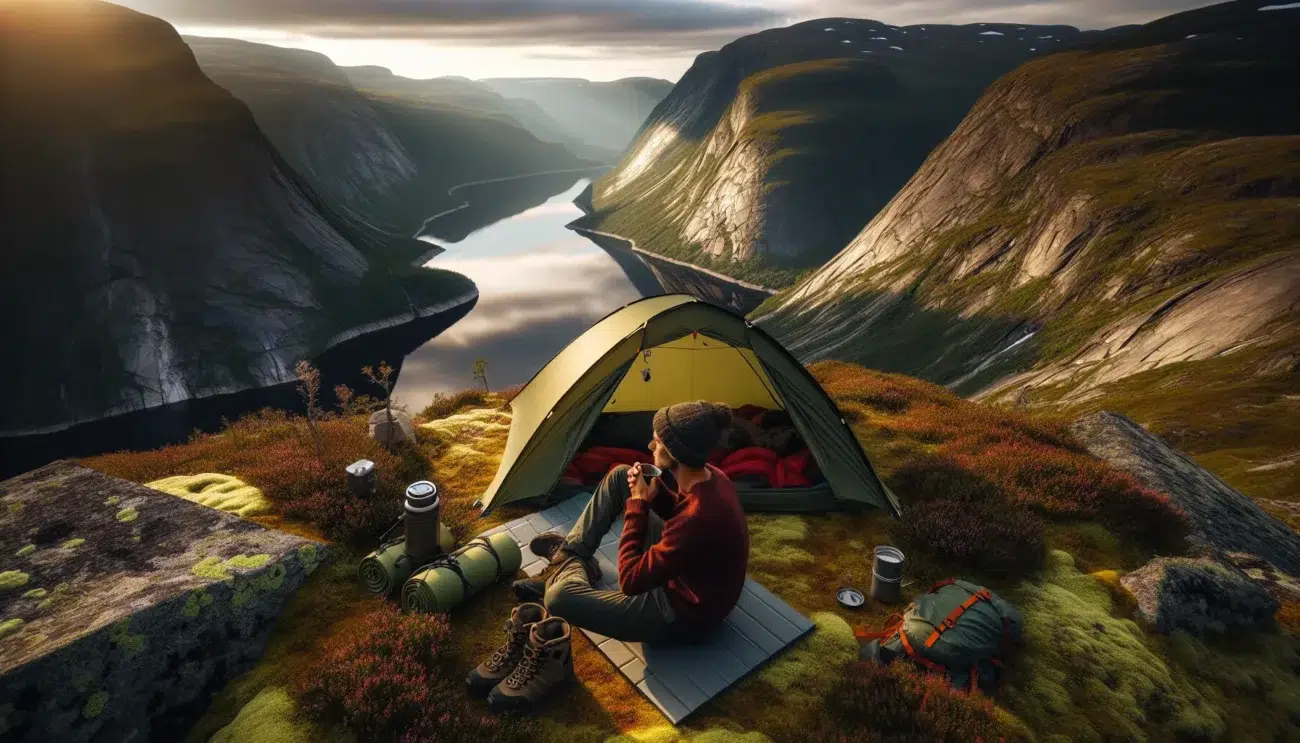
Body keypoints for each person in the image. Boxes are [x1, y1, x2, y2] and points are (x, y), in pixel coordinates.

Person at [468, 400, 751, 712]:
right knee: (619, 475)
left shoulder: (698, 518)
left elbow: (630, 580)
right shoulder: (710, 477)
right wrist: (657, 496)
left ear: (674, 452)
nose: (649, 444)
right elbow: (680, 520)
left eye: (656, 439)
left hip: (682, 614)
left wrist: (640, 506)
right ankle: (570, 559)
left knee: (559, 599)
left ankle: (568, 565)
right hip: (688, 572)